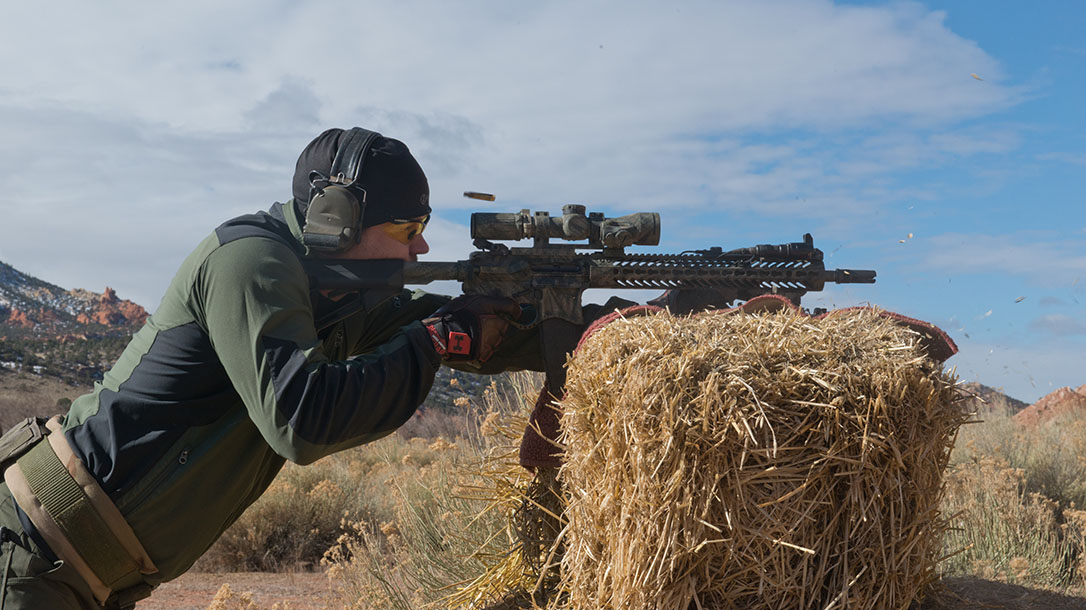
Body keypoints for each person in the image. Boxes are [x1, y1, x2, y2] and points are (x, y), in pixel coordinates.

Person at [0, 127, 532, 609]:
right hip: (33, 545)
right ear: (336, 221)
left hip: (91, 574)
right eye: (405, 228)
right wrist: (435, 340)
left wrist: (584, 325)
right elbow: (303, 421)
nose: (421, 247)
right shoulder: (251, 262)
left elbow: (453, 326)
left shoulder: (339, 293)